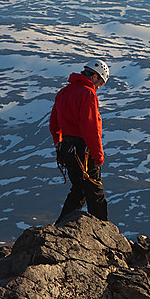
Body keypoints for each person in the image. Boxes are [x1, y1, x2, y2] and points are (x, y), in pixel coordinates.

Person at [50, 60, 110, 223]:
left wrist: (59, 144)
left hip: (67, 149)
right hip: (83, 151)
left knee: (78, 191)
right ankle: (103, 232)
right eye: (100, 84)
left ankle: (60, 227)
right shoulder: (88, 93)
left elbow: (54, 123)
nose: (99, 87)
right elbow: (90, 127)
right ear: (95, 76)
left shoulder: (63, 92)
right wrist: (98, 156)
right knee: (95, 192)